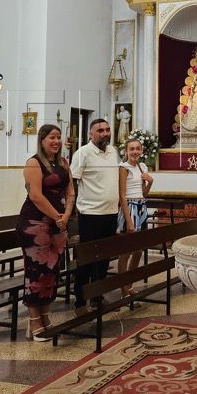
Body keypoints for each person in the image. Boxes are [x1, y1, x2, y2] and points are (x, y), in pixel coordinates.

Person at [16, 124, 74, 341]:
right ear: (42, 140)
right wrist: (59, 217)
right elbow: (36, 196)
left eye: (59, 137)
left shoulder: (63, 163)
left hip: (58, 224)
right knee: (36, 272)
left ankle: (46, 317)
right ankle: (34, 322)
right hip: (35, 224)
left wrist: (66, 215)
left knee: (52, 272)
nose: (56, 141)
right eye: (52, 137)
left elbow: (70, 192)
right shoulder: (33, 163)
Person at [70, 118, 120, 316]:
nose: (105, 133)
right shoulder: (83, 153)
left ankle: (97, 296)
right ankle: (80, 301)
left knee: (104, 259)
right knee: (87, 259)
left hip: (110, 213)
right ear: (91, 134)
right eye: (100, 131)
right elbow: (73, 182)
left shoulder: (113, 151)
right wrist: (72, 209)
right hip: (90, 214)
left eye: (107, 130)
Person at [117, 137, 154, 297]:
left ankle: (130, 285)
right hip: (129, 208)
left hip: (141, 208)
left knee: (138, 251)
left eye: (138, 149)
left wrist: (150, 182)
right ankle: (123, 290)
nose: (135, 152)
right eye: (131, 149)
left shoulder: (142, 166)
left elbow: (143, 194)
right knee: (125, 252)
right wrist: (129, 221)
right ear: (126, 151)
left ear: (141, 150)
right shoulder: (123, 168)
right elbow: (122, 195)